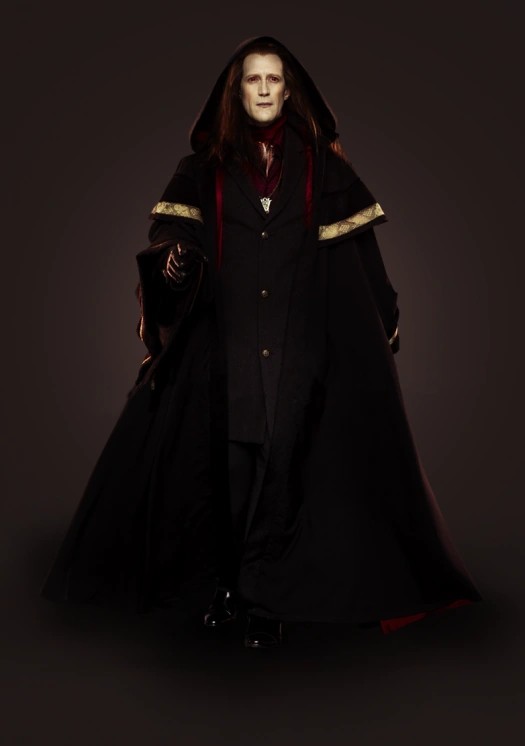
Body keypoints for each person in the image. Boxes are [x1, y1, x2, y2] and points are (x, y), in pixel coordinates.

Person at [40, 36, 482, 649]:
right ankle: (228, 587)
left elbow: (363, 258)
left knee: (285, 472)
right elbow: (171, 234)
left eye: (275, 78)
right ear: (237, 90)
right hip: (227, 350)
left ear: (289, 89)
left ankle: (267, 601)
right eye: (254, 79)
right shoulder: (203, 169)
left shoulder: (325, 168)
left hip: (300, 351)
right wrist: (174, 261)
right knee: (230, 472)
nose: (266, 89)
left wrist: (382, 322)